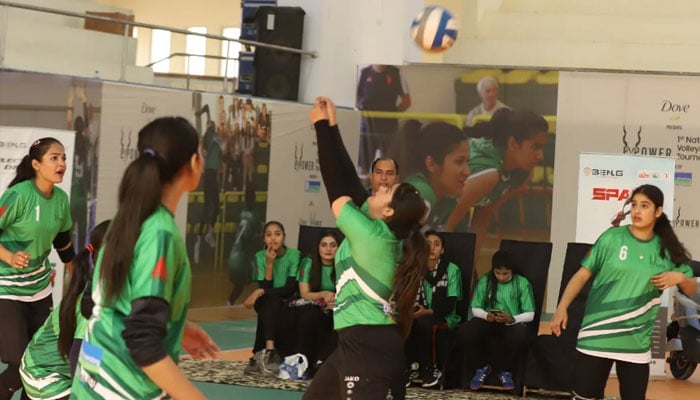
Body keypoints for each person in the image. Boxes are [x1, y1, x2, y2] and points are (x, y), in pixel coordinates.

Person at [72, 117, 220, 399]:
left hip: (93, 381)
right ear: (193, 163)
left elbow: (113, 302)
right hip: (123, 387)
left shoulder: (126, 219)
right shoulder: (159, 233)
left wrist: (178, 328)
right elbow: (142, 340)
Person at [303, 96, 428, 400]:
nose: (380, 186)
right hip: (356, 342)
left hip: (368, 347)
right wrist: (331, 126)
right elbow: (348, 180)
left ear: (388, 212)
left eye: (387, 190)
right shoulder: (380, 229)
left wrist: (320, 127)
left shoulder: (372, 236)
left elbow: (335, 184)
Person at [551, 184, 697, 400]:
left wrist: (680, 277)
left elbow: (691, 288)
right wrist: (561, 307)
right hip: (596, 336)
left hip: (635, 343)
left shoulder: (666, 249)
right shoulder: (611, 238)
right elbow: (581, 275)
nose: (637, 211)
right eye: (634, 205)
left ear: (658, 212)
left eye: (644, 206)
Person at [0, 137, 75, 400]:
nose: (61, 163)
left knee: (38, 362)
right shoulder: (17, 195)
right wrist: (9, 257)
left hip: (40, 292)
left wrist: (80, 279)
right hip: (7, 291)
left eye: (63, 157)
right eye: (54, 157)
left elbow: (63, 244)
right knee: (18, 361)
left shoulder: (61, 200)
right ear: (36, 164)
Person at [19, 220, 109, 400]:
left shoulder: (107, 290)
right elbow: (78, 356)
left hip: (48, 367)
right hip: (45, 375)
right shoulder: (93, 300)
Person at [458, 250, 535, 391]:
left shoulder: (522, 283)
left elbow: (530, 314)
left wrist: (511, 318)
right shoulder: (485, 280)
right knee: (466, 331)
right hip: (489, 321)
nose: (501, 277)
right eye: (497, 273)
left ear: (512, 270)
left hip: (512, 324)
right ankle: (482, 367)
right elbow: (475, 308)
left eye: (505, 274)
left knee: (519, 334)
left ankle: (505, 371)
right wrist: (486, 316)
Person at [405, 230, 463, 389]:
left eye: (437, 244)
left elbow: (450, 305)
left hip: (445, 316)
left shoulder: (452, 270)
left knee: (424, 322)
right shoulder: (415, 268)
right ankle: (408, 367)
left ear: (442, 250)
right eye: (427, 244)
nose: (432, 248)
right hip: (419, 312)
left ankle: (429, 368)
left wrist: (427, 311)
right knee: (404, 321)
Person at [243, 220, 301, 375]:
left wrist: (258, 292)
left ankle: (258, 354)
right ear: (263, 239)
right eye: (268, 235)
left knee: (269, 305)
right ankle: (270, 351)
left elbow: (289, 289)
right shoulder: (259, 256)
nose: (273, 239)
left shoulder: (294, 255)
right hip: (268, 300)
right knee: (269, 303)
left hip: (287, 299)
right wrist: (269, 264)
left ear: (284, 237)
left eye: (277, 234)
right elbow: (267, 288)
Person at [403, 122, 471, 231]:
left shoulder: (450, 201)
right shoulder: (421, 193)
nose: (467, 172)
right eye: (459, 161)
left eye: (467, 162)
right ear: (431, 164)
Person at [293, 230, 341, 377]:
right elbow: (304, 293)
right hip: (313, 304)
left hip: (337, 306)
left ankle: (322, 362)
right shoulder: (308, 262)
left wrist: (335, 302)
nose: (328, 249)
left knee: (341, 322)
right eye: (324, 245)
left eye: (333, 245)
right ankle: (303, 362)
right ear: (318, 247)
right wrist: (324, 295)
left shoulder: (344, 264)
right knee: (310, 316)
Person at [356, 64, 411, 176]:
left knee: (391, 165)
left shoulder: (396, 73)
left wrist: (393, 114)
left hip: (388, 127)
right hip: (367, 127)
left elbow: (407, 101)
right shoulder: (364, 73)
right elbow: (356, 98)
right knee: (363, 168)